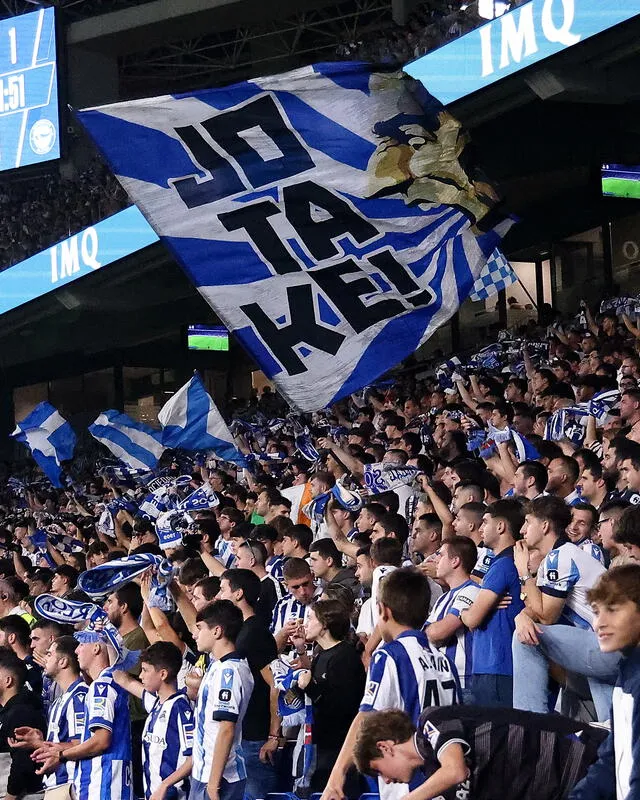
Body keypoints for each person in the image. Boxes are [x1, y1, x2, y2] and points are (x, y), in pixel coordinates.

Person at [321, 568, 458, 800]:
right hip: (439, 781)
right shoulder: (444, 660)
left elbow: (366, 718)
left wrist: (337, 773)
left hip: (407, 781)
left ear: (382, 610)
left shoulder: (391, 655)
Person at [354, 706, 606, 800]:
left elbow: (455, 770)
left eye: (378, 771)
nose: (386, 781)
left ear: (385, 747)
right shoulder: (434, 781)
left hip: (587, 756)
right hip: (565, 791)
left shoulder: (432, 721)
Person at [512, 496, 613, 721]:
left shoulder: (561, 557)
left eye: (528, 522)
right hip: (607, 645)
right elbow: (534, 607)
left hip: (607, 644)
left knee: (524, 639)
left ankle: (531, 725)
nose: (522, 529)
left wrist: (523, 571)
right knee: (610, 728)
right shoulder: (561, 555)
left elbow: (546, 616)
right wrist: (521, 615)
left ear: (545, 525)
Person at [31, 626, 133, 800]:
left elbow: (101, 741)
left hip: (102, 783)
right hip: (108, 781)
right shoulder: (110, 682)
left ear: (96, 648)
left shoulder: (100, 687)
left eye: (82, 644)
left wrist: (61, 754)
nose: (77, 650)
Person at [569, 564, 640, 800]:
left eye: (613, 609)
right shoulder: (628, 673)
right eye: (597, 611)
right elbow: (609, 763)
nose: (599, 623)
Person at [216, 570, 279, 800]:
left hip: (256, 738)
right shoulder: (240, 631)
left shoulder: (255, 632)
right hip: (242, 736)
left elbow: (276, 683)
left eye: (222, 589)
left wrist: (273, 735)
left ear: (238, 593)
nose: (218, 595)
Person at [293, 599, 365, 794]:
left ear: (324, 624)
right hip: (320, 745)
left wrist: (310, 687)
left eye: (309, 618)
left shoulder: (345, 657)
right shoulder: (320, 655)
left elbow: (342, 706)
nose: (304, 623)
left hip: (340, 748)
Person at [458, 499, 525, 707]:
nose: (481, 528)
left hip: (496, 665)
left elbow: (472, 619)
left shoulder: (503, 565)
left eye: (485, 522)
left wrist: (465, 612)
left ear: (500, 526)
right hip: (498, 665)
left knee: (496, 735)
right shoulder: (508, 561)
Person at [114, 641, 194, 800]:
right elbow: (126, 681)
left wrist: (165, 785)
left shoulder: (180, 708)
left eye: (145, 670)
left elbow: (194, 758)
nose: (141, 675)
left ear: (163, 674)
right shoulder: (157, 703)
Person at [9, 635, 89, 794]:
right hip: (56, 784)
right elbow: (64, 745)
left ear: (63, 662)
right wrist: (39, 742)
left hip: (72, 784)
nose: (45, 659)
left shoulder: (78, 697)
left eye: (49, 654)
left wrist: (46, 747)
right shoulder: (59, 700)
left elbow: (81, 744)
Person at [191, 600, 254, 800]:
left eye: (200, 628)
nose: (195, 634)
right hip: (204, 772)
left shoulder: (230, 671)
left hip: (220, 777)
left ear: (217, 631)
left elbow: (226, 729)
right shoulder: (218, 665)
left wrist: (213, 784)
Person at [425, 537, 479, 704]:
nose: (435, 560)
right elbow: (426, 636)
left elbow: (438, 633)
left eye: (440, 555)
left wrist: (432, 632)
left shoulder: (472, 591)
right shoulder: (444, 598)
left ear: (455, 561)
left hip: (464, 683)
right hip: (444, 683)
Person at [0, 647, 46, 799]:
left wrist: (10, 796)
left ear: (8, 681)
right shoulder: (8, 712)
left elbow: (23, 761)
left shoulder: (21, 712)